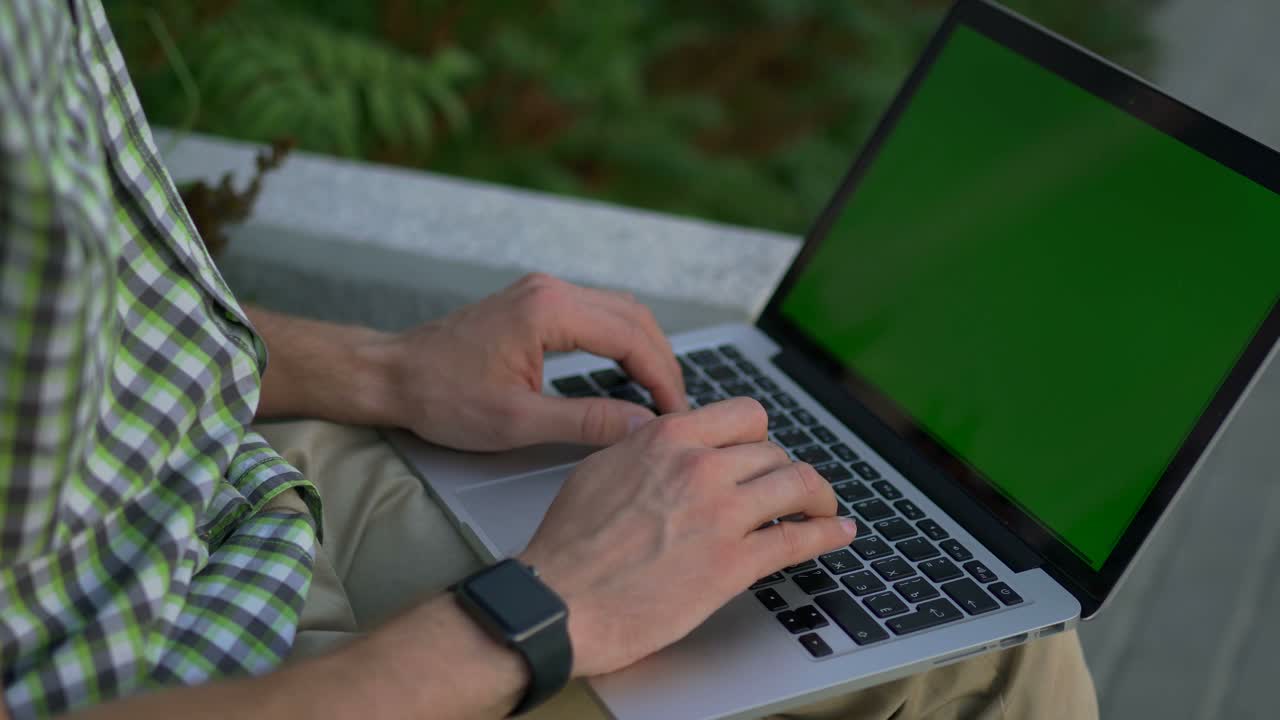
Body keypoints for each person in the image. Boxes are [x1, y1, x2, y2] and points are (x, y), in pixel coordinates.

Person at [0, 2, 1098, 718]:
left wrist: (387, 370)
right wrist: (542, 609)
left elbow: (98, 331)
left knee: (950, 583)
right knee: (997, 655)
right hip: (204, 668)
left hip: (234, 489)